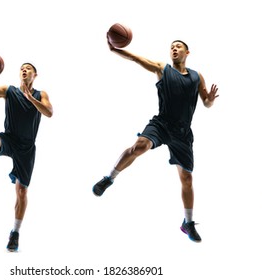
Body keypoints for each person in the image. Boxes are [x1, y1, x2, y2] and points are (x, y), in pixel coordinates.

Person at [92, 39, 219, 243]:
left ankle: (188, 222)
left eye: (178, 47)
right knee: (139, 147)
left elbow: (206, 103)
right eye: (171, 47)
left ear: (187, 52)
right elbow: (136, 59)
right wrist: (115, 49)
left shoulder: (197, 76)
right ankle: (109, 178)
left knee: (187, 179)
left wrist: (210, 99)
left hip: (183, 133)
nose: (174, 49)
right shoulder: (163, 69)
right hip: (162, 124)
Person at [0, 58, 54, 252]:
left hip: (26, 148)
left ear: (35, 75)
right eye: (22, 69)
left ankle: (15, 233)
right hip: (9, 139)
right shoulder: (9, 91)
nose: (24, 70)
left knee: (22, 192)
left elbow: (49, 112)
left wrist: (31, 99)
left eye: (29, 69)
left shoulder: (41, 94)